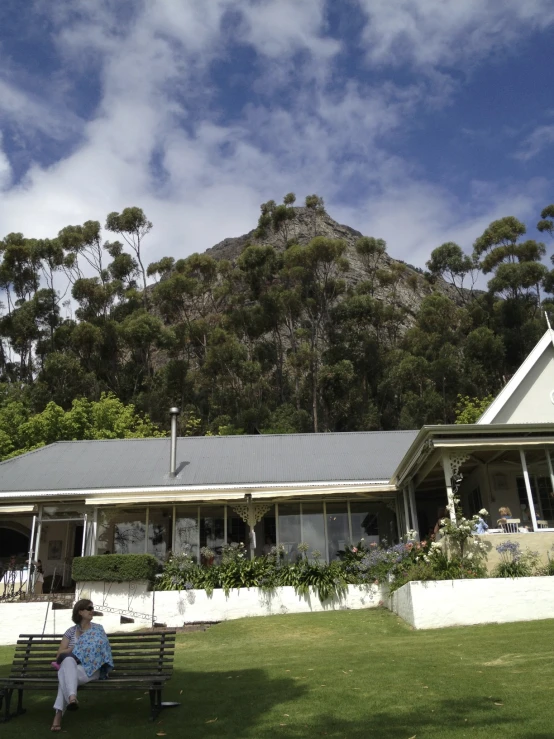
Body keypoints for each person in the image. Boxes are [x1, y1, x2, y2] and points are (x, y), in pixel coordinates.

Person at [50, 599, 113, 732]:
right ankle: (72, 697)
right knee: (67, 662)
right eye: (89, 608)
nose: (92, 611)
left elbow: (103, 650)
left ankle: (58, 716)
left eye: (92, 608)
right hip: (73, 667)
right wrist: (75, 647)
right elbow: (59, 655)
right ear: (80, 611)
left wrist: (83, 649)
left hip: (92, 669)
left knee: (64, 675)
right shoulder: (70, 632)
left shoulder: (98, 629)